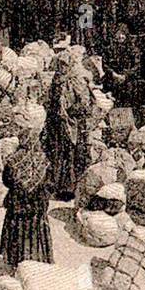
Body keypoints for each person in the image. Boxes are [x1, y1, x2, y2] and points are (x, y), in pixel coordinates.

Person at [0, 104, 53, 267]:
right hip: (37, 210)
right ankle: (37, 260)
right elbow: (50, 184)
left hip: (17, 209)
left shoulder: (15, 160)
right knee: (36, 232)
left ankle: (15, 262)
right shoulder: (44, 158)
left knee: (17, 233)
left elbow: (6, 180)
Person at [44, 60, 91, 200]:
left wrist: (70, 112)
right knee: (59, 155)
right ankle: (59, 186)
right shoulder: (56, 82)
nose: (62, 69)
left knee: (70, 156)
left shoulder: (76, 82)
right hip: (58, 124)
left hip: (71, 125)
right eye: (60, 66)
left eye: (64, 66)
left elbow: (84, 104)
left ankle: (68, 188)